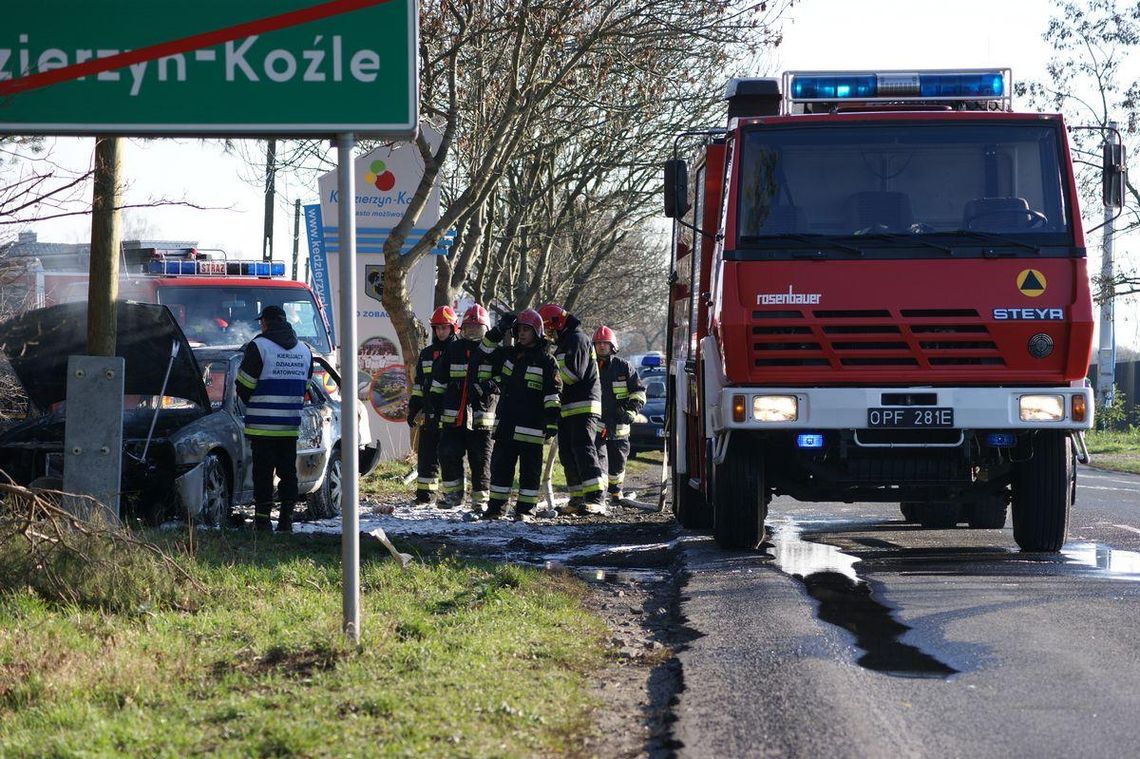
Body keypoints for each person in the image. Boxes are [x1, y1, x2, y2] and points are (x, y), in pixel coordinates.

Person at [235, 304, 313, 532]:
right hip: (289, 425)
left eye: (262, 322)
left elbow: (244, 384)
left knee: (263, 474)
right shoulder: (305, 350)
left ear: (266, 322)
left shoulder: (259, 346)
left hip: (262, 425)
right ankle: (286, 521)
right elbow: (305, 387)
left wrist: (254, 402)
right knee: (288, 473)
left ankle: (262, 521)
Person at [484, 309, 561, 520]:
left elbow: (552, 395)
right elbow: (484, 351)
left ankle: (525, 511)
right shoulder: (509, 355)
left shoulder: (547, 361)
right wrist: (499, 330)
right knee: (500, 470)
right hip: (506, 426)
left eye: (527, 330)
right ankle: (495, 510)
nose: (522, 334)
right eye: (519, 330)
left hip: (532, 428)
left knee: (530, 473)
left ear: (537, 332)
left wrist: (552, 423)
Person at [429, 304, 499, 514]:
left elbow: (503, 377)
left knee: (480, 459)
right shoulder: (454, 349)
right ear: (461, 329)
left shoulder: (493, 352)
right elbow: (439, 380)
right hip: (454, 418)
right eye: (468, 328)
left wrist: (485, 387)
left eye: (477, 329)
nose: (472, 333)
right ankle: (453, 495)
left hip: (481, 418)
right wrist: (433, 407)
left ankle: (480, 500)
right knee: (448, 453)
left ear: (485, 329)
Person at [538, 303, 606, 515]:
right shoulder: (565, 342)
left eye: (549, 330)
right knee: (568, 453)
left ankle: (596, 498)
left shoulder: (577, 339)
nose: (548, 335)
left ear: (558, 324)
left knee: (584, 449)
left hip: (583, 405)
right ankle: (577, 498)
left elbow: (572, 374)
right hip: (568, 408)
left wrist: (550, 374)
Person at [407, 305, 460, 504]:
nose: (440, 332)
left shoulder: (458, 352)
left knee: (449, 455)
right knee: (426, 455)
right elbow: (420, 384)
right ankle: (425, 496)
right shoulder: (427, 354)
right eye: (437, 328)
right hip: (429, 412)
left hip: (450, 412)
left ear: (453, 328)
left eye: (444, 327)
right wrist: (414, 407)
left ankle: (452, 496)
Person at [593, 325, 647, 506]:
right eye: (598, 343)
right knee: (598, 459)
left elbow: (638, 391)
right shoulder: (589, 366)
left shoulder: (624, 367)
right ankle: (598, 494)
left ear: (612, 346)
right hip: (598, 423)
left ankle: (616, 492)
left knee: (618, 461)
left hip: (620, 424)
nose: (601, 347)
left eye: (605, 343)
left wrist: (632, 411)